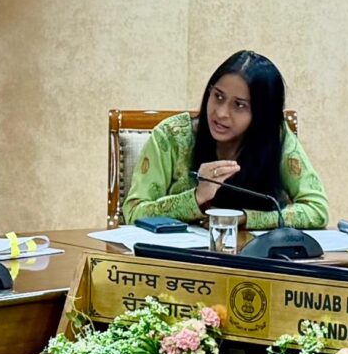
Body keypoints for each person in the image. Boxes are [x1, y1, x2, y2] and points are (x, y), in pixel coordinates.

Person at [120, 51, 330, 229]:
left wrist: (247, 218)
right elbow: (133, 213)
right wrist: (196, 197)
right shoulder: (171, 137)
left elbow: (317, 209)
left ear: (261, 115)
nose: (221, 113)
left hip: (256, 260)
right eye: (218, 96)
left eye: (239, 105)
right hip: (178, 260)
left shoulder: (277, 138)